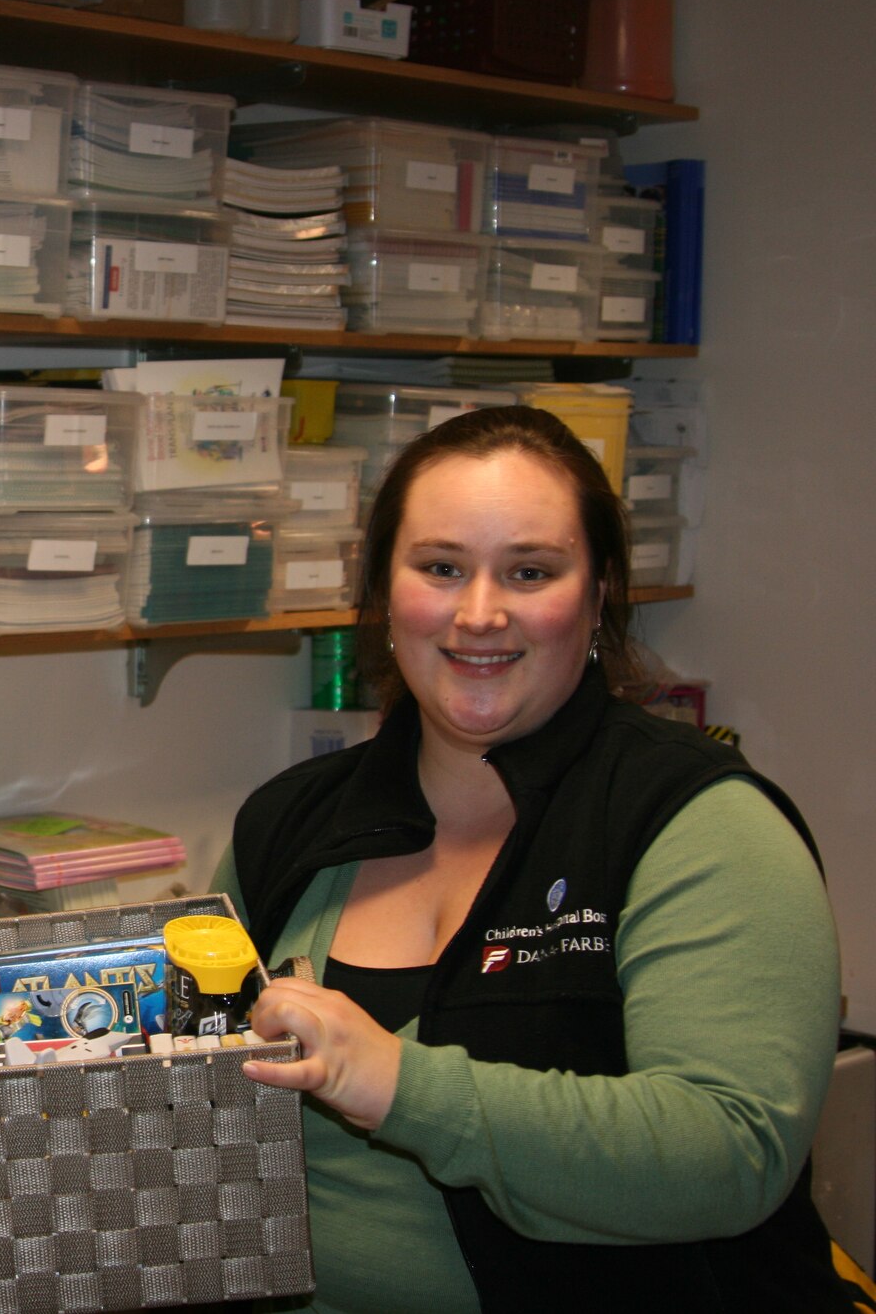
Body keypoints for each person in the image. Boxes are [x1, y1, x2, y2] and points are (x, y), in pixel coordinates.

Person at [213, 406, 850, 1310]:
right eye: (440, 567)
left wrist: (401, 1084)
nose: (480, 613)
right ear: (385, 594)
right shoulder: (285, 825)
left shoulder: (698, 822)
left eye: (530, 571)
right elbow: (193, 1106)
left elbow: (732, 1149)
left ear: (596, 600)